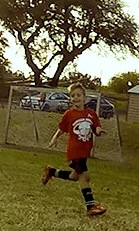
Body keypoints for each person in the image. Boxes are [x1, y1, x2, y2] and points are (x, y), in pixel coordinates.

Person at [41, 83, 108, 216]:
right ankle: (91, 206)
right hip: (75, 150)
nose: (75, 98)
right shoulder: (69, 114)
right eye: (72, 96)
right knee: (85, 177)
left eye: (78, 95)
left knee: (74, 176)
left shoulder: (91, 114)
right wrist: (54, 139)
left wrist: (99, 131)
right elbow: (61, 129)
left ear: (84, 97)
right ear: (70, 98)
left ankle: (51, 171)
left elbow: (96, 127)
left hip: (85, 150)